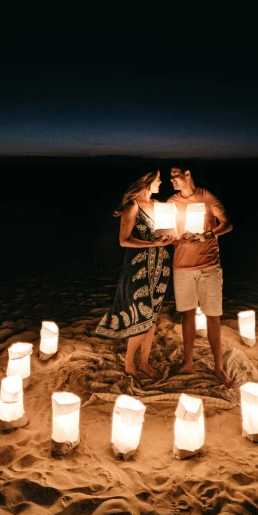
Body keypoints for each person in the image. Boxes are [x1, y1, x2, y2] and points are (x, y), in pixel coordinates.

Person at [95, 167, 174, 378]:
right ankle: (129, 363)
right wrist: (153, 243)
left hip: (160, 264)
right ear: (146, 181)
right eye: (157, 179)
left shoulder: (159, 205)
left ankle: (145, 363)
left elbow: (165, 233)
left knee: (153, 316)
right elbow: (124, 240)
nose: (160, 183)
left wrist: (168, 238)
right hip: (139, 266)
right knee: (142, 313)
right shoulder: (133, 206)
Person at [168, 161, 234, 388]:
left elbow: (227, 224)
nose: (172, 179)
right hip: (182, 267)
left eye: (175, 175)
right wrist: (178, 238)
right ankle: (188, 361)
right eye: (170, 177)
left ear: (188, 174)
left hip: (209, 266)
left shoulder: (207, 197)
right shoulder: (171, 202)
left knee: (213, 317)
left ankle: (218, 366)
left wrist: (207, 235)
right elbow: (168, 235)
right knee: (187, 315)